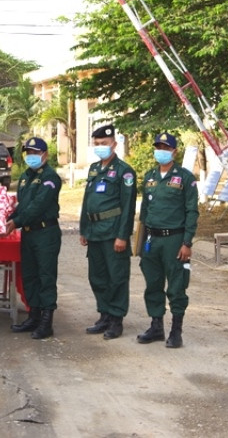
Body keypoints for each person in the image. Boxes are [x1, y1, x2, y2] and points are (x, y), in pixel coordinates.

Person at [137, 132, 198, 348]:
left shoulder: (185, 178)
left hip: (174, 239)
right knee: (153, 284)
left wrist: (187, 242)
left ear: (174, 151)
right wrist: (140, 243)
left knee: (176, 286)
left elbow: (192, 212)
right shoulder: (150, 176)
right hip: (152, 239)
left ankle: (176, 331)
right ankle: (156, 327)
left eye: (165, 148)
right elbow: (145, 211)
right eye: (158, 147)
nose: (161, 151)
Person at [79, 125, 137, 340]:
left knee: (117, 277)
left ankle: (116, 319)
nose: (100, 147)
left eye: (104, 143)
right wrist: (84, 228)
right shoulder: (94, 169)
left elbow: (128, 206)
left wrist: (123, 236)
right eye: (96, 144)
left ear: (114, 144)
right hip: (94, 231)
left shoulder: (124, 171)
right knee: (97, 276)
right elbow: (87, 201)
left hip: (113, 233)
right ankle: (104, 314)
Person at [6, 137, 63, 339]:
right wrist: (5, 218)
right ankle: (34, 316)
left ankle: (46, 322)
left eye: (35, 153)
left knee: (45, 276)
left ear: (45, 154)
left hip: (45, 233)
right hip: (29, 233)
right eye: (28, 153)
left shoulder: (50, 178)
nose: (31, 156)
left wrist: (15, 222)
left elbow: (37, 206)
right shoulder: (25, 177)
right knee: (30, 275)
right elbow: (22, 206)